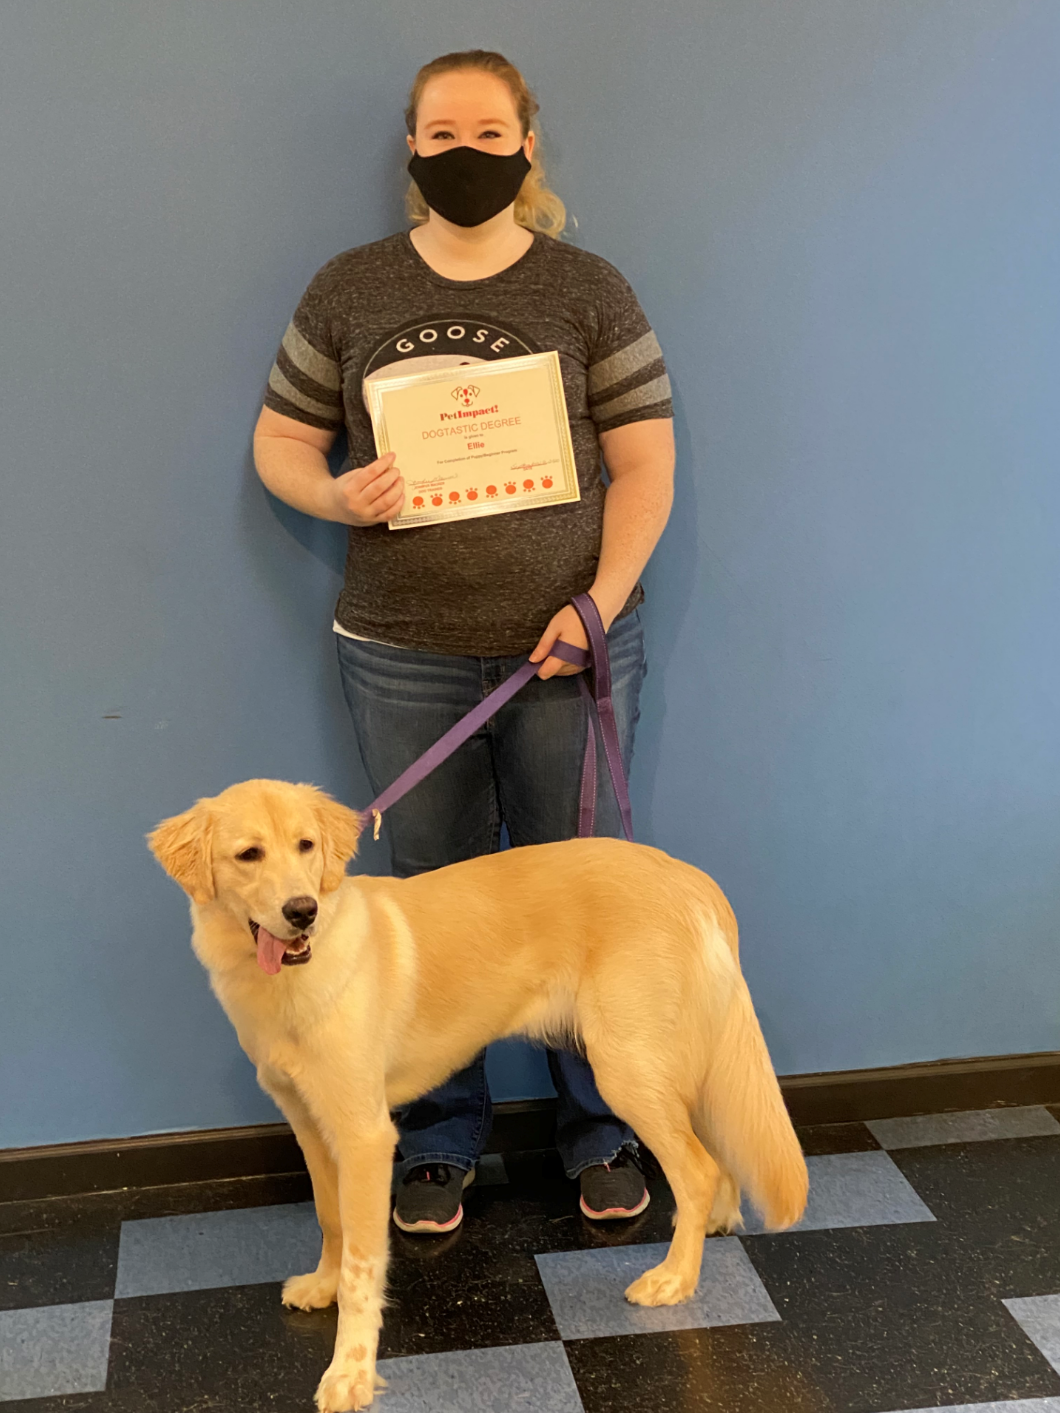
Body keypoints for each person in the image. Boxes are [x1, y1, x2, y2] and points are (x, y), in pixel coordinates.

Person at [253, 49, 675, 1235]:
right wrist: (336, 497)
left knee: (586, 902)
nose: (465, 155)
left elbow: (645, 464)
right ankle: (436, 1136)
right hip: (399, 649)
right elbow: (281, 443)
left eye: (490, 135)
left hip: (574, 649)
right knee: (422, 907)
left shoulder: (588, 287)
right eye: (442, 135)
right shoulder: (351, 287)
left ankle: (605, 1126)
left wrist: (601, 600)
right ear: (410, 148)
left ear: (528, 145)